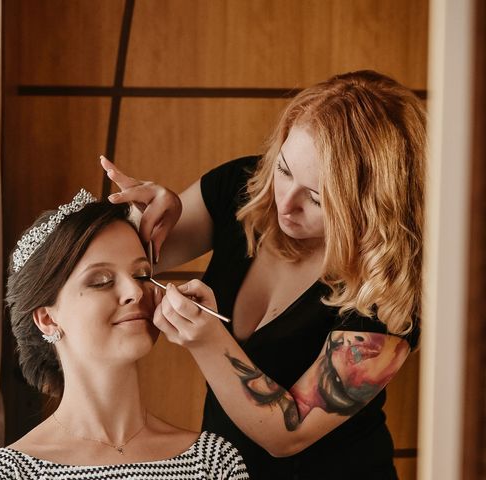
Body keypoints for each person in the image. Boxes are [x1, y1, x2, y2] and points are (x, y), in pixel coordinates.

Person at [101, 70, 425, 480]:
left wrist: (207, 341)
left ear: (373, 204)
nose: (283, 204)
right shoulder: (246, 184)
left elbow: (287, 434)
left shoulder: (389, 290)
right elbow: (139, 260)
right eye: (286, 170)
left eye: (316, 198)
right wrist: (143, 215)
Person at [0, 190, 249, 480]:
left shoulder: (213, 461)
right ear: (47, 319)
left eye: (142, 275)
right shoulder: (9, 473)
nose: (134, 292)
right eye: (101, 281)